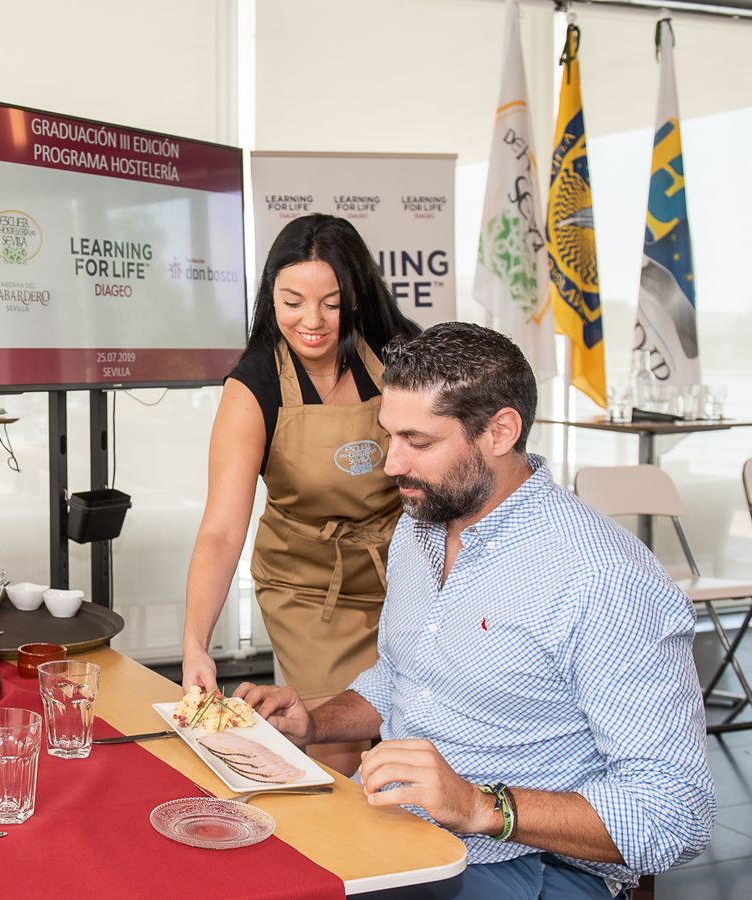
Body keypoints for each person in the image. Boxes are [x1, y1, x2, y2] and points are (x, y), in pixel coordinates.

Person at [238, 323, 714, 899]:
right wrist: (315, 722)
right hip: (396, 829)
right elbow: (400, 680)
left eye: (419, 441)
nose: (392, 465)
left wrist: (478, 806)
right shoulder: (421, 528)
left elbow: (674, 815)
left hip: (529, 862)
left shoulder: (602, 577)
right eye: (389, 436)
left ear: (501, 431)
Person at [181, 213, 419, 771]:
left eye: (330, 304)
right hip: (310, 589)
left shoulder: (397, 358)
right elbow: (221, 530)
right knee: (334, 744)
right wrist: (196, 642)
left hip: (404, 573)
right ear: (270, 297)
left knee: (419, 731)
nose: (311, 321)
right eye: (292, 302)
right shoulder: (254, 386)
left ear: (356, 296)